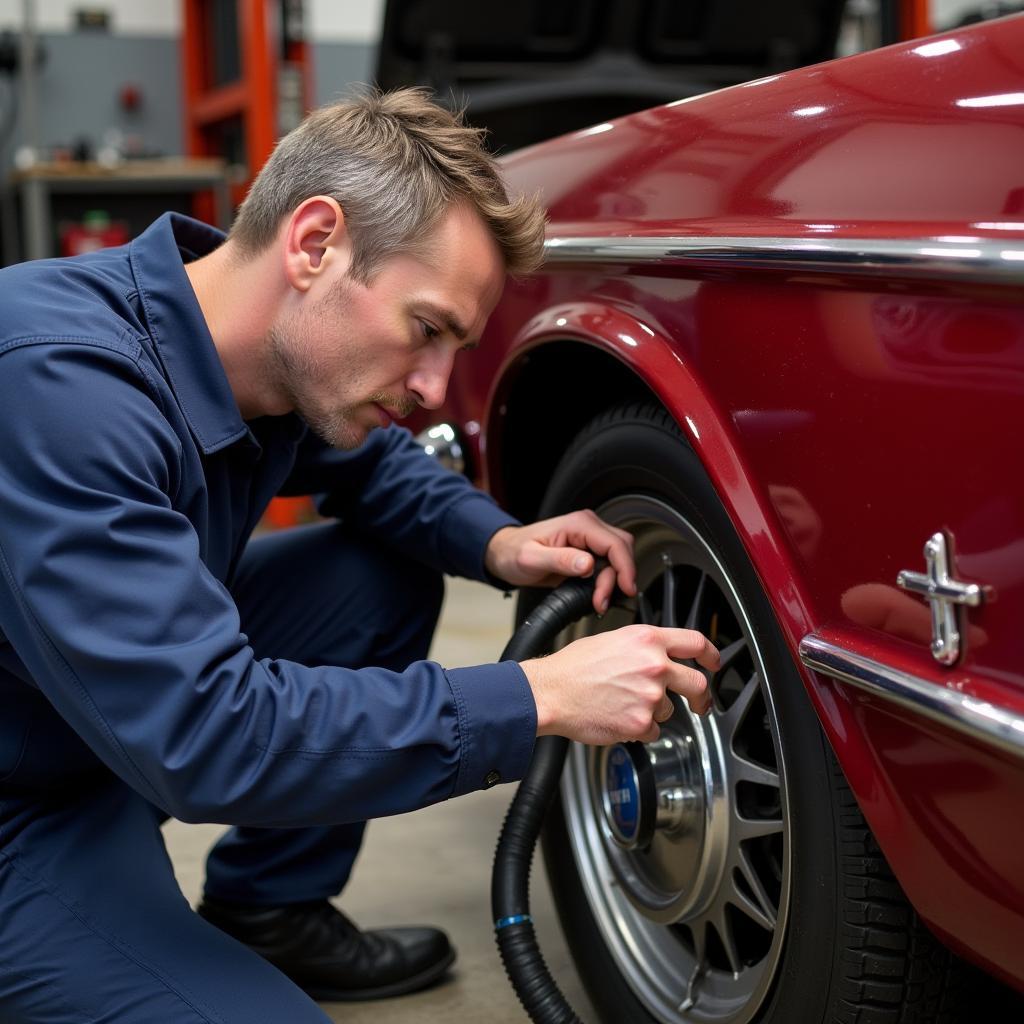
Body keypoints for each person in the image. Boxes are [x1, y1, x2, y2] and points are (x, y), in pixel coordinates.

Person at [0, 89, 717, 1023]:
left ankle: (273, 907)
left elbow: (374, 469)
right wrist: (539, 696)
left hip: (86, 726)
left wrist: (499, 542)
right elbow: (209, 737)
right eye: (427, 331)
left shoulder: (257, 353)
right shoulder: (60, 388)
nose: (433, 388)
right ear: (314, 244)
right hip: (27, 805)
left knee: (374, 574)